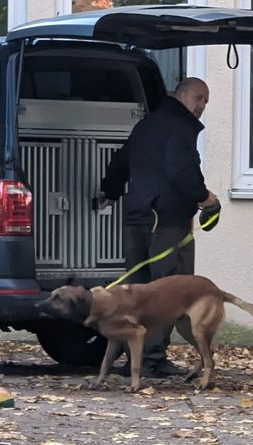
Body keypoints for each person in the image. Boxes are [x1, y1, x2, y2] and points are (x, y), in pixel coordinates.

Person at [99, 77, 220, 377]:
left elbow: (121, 161)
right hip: (166, 222)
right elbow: (181, 170)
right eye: (198, 98)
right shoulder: (180, 128)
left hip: (137, 216)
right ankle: (152, 360)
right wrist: (204, 198)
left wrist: (109, 192)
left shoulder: (147, 124)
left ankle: (136, 360)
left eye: (206, 101)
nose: (202, 106)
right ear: (180, 95)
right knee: (169, 292)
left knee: (136, 291)